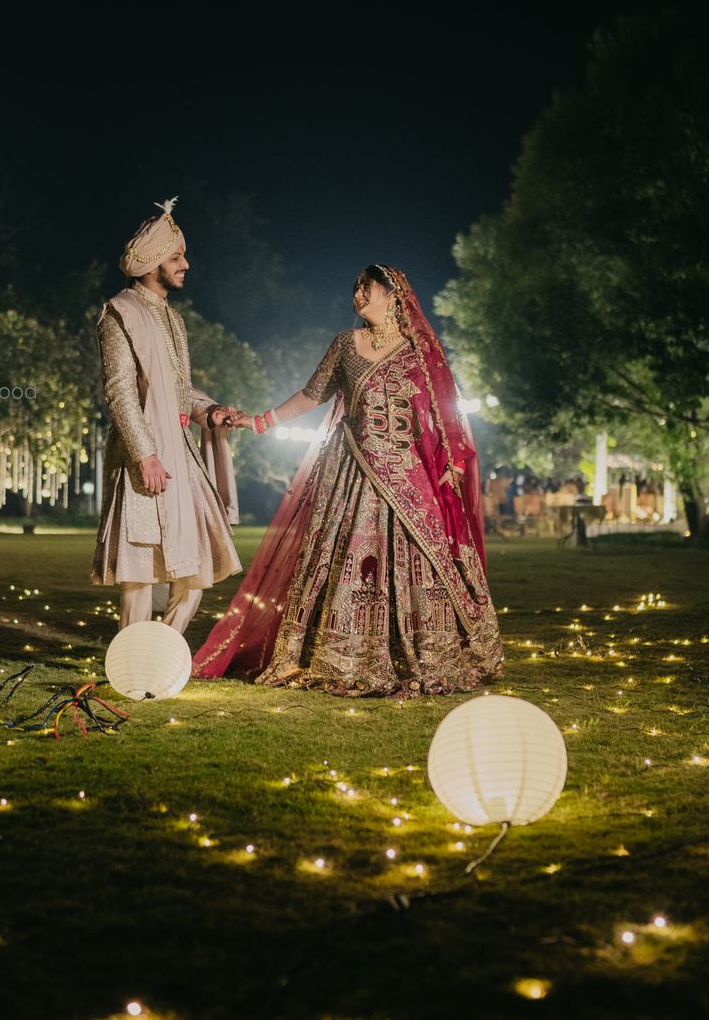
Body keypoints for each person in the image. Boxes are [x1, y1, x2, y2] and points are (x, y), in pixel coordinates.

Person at [192, 264, 504, 696]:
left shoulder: (418, 351)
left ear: (393, 294)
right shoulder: (345, 344)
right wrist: (259, 420)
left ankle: (424, 652)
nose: (358, 293)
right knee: (343, 558)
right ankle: (340, 653)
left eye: (367, 287)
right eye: (355, 286)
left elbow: (445, 408)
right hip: (351, 470)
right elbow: (311, 394)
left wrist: (453, 460)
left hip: (408, 477)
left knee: (422, 564)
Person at [91, 199, 247, 633]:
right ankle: (132, 655)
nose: (186, 264)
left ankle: (166, 648)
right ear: (150, 263)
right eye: (176, 257)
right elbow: (120, 390)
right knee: (139, 567)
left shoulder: (174, 320)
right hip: (147, 455)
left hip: (182, 452)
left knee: (198, 558)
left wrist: (209, 411)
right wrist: (145, 455)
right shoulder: (120, 312)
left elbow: (178, 390)